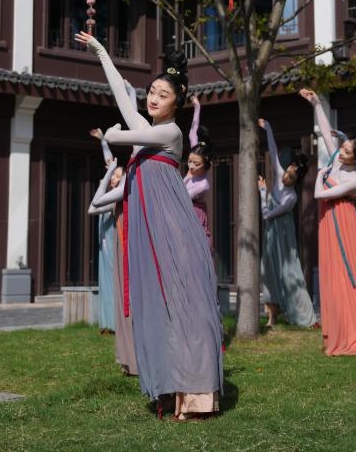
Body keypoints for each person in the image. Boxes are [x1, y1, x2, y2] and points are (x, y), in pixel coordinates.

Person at [75, 30, 222, 421]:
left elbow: (120, 132)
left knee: (183, 307)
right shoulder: (149, 131)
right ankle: (169, 386)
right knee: (160, 309)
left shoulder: (169, 133)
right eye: (151, 91)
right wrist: (104, 53)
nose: (153, 98)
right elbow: (124, 103)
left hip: (172, 234)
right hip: (152, 236)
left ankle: (195, 395)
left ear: (177, 104)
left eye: (162, 95)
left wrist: (111, 134)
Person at [299, 88, 356, 356]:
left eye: (347, 151)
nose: (342, 152)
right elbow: (324, 131)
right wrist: (316, 104)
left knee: (348, 275)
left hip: (342, 223)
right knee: (332, 276)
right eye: (343, 148)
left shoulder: (353, 179)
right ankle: (337, 329)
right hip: (328, 221)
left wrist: (320, 175)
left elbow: (320, 194)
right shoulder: (336, 160)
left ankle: (354, 333)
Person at [256, 117, 316, 328]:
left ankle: (298, 311)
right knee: (268, 269)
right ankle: (272, 314)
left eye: (291, 177)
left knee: (286, 270)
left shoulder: (291, 198)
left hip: (281, 233)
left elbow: (266, 215)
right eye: (287, 172)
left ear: (296, 181)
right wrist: (269, 128)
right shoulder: (280, 173)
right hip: (271, 232)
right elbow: (273, 152)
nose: (285, 178)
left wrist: (263, 192)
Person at [89, 156, 138, 377]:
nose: (116, 178)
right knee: (123, 304)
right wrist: (108, 173)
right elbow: (93, 207)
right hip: (120, 249)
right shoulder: (118, 194)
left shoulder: (131, 187)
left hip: (131, 253)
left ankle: (135, 360)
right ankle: (129, 359)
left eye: (120, 174)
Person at [88, 128, 118, 334]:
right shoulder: (107, 191)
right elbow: (110, 163)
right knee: (104, 280)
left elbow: (94, 208)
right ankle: (106, 322)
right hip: (103, 240)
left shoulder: (115, 197)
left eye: (118, 176)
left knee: (113, 279)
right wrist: (103, 141)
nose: (114, 178)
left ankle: (116, 323)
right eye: (113, 176)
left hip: (113, 238)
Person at [184, 95, 214, 252]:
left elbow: (182, 195)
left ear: (206, 164)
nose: (191, 166)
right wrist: (197, 107)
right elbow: (192, 133)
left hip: (193, 217)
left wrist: (187, 177)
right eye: (189, 161)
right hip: (183, 213)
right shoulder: (197, 154)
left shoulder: (203, 185)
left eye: (196, 164)